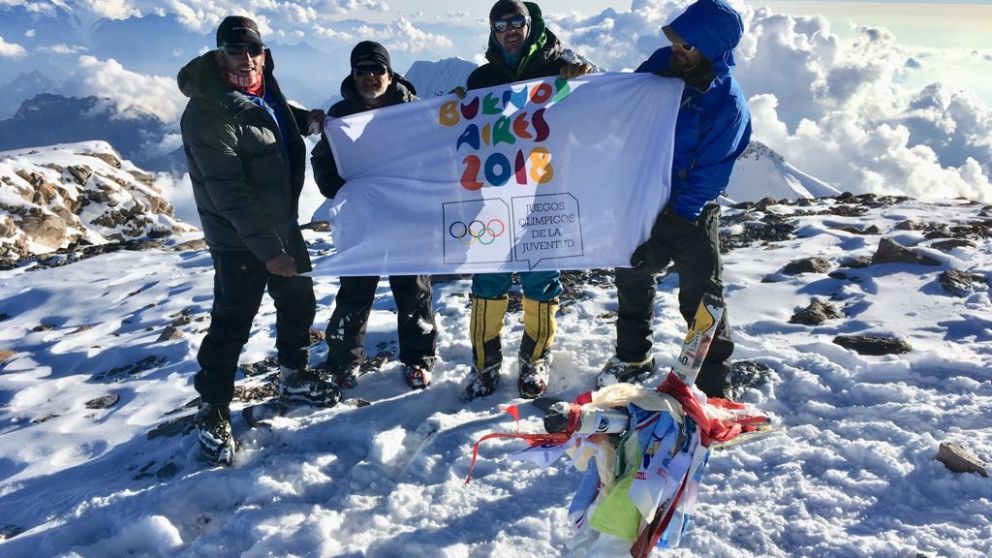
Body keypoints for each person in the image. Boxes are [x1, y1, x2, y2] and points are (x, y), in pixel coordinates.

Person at [178, 15, 340, 464]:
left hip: (281, 222)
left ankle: (293, 374)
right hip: (238, 238)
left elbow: (272, 121)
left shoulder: (263, 85)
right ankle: (212, 407)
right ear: (219, 55)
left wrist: (307, 120)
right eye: (235, 51)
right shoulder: (207, 111)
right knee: (233, 320)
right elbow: (227, 191)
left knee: (299, 302)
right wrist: (269, 251)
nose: (246, 59)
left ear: (264, 54)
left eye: (253, 51)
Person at [598, 0, 752, 400]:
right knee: (632, 274)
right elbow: (625, 102)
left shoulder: (727, 104)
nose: (677, 51)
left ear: (711, 48)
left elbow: (709, 176)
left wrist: (668, 229)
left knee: (702, 293)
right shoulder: (662, 65)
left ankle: (713, 384)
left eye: (688, 46)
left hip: (694, 208)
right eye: (677, 42)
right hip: (645, 193)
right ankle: (632, 358)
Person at [461, 0, 593, 400]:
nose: (509, 29)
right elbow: (466, 127)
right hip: (494, 197)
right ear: (492, 31)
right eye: (500, 24)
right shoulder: (481, 79)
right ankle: (485, 365)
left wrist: (582, 74)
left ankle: (535, 358)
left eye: (516, 21)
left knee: (540, 278)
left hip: (545, 195)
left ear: (530, 23)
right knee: (488, 279)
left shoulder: (559, 69)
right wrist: (454, 105)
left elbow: (600, 102)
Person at [310, 41, 439, 391]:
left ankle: (418, 359)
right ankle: (343, 362)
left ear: (390, 72)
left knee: (413, 291)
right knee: (354, 291)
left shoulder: (415, 110)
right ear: (352, 74)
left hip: (407, 217)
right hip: (363, 219)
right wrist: (341, 191)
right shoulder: (340, 113)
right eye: (361, 70)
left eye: (376, 69)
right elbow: (321, 160)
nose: (369, 76)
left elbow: (440, 154)